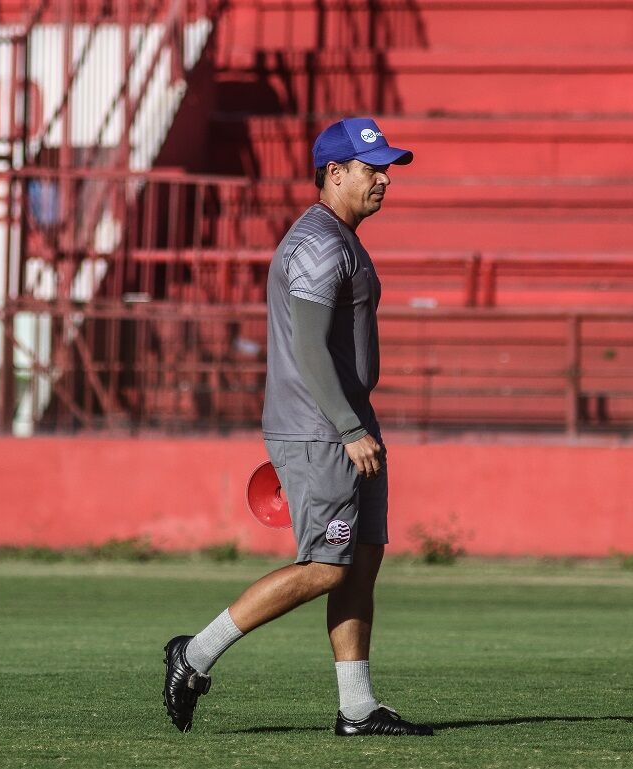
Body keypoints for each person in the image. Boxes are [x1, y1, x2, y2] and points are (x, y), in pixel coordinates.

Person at [162, 117, 432, 737]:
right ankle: (194, 655)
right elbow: (309, 347)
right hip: (323, 429)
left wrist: (355, 421)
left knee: (361, 561)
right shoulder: (318, 241)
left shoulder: (344, 236)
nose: (384, 179)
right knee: (326, 565)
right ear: (334, 172)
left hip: (348, 424)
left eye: (386, 168)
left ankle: (358, 708)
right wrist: (345, 426)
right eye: (372, 168)